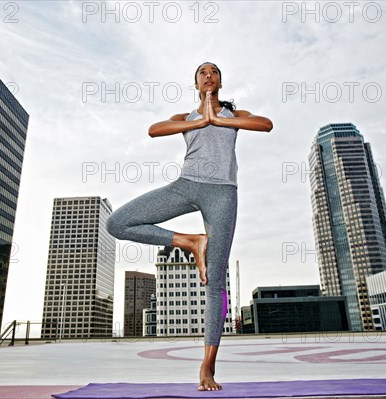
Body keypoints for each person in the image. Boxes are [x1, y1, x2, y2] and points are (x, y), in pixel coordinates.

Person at [106, 62, 273, 391]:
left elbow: (265, 124)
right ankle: (190, 241)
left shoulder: (233, 115)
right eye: (202, 73)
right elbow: (154, 130)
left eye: (213, 72)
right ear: (196, 83)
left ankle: (207, 367)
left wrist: (217, 116)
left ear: (221, 82)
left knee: (214, 281)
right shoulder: (185, 118)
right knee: (117, 222)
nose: (208, 76)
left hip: (222, 194)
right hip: (185, 185)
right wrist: (202, 117)